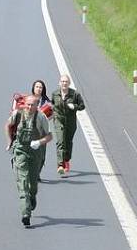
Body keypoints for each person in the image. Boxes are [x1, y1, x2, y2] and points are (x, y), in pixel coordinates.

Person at [5, 94, 52, 228]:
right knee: (23, 181)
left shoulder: (41, 117)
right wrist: (9, 142)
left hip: (35, 152)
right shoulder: (18, 114)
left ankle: (32, 197)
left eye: (33, 105)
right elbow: (8, 125)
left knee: (32, 183)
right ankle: (26, 213)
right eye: (28, 104)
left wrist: (39, 142)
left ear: (37, 106)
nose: (30, 107)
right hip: (20, 151)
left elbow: (49, 136)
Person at [51, 74, 86, 176]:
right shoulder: (55, 94)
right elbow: (52, 104)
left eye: (66, 82)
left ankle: (66, 159)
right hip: (58, 120)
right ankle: (60, 165)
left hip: (70, 121)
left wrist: (74, 106)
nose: (64, 83)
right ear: (59, 83)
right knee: (60, 141)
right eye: (62, 81)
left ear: (69, 83)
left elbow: (82, 106)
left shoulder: (75, 94)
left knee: (68, 142)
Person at [31, 80, 52, 181]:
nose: (39, 89)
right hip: (30, 130)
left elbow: (53, 114)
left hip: (42, 131)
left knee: (41, 155)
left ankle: (37, 172)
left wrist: (46, 117)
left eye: (40, 87)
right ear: (33, 88)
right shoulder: (29, 100)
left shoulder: (47, 102)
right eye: (37, 87)